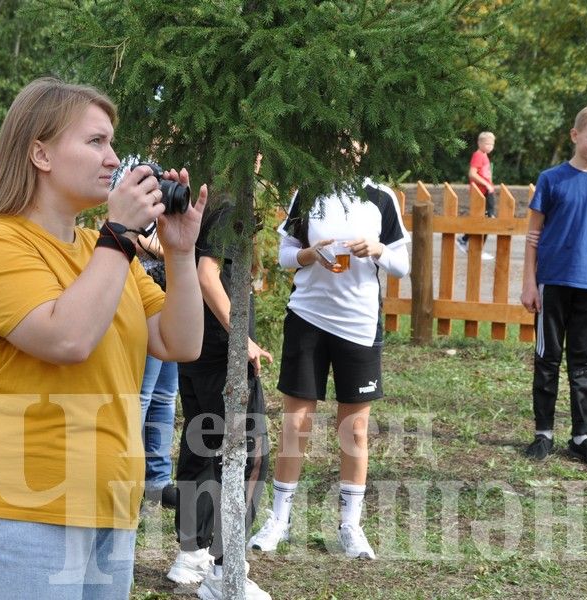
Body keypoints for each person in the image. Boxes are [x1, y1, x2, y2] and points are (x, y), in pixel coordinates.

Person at [0, 77, 207, 600]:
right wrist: (118, 236)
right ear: (40, 152)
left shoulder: (103, 250)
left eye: (112, 143)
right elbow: (68, 339)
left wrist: (178, 253)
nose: (114, 159)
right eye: (95, 142)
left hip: (108, 505)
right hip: (19, 511)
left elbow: (181, 343)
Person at [248, 178, 411, 560]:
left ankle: (350, 526)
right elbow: (284, 256)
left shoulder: (380, 197)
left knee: (354, 428)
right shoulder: (307, 189)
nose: (344, 139)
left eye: (352, 135)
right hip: (308, 317)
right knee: (296, 423)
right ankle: (280, 520)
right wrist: (308, 255)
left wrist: (378, 249)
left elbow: (402, 265)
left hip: (358, 323)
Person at [166, 202, 273, 600]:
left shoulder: (205, 197)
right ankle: (227, 570)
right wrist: (239, 338)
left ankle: (191, 555)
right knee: (249, 456)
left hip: (194, 348)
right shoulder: (231, 205)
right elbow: (207, 274)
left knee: (201, 450)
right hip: (220, 356)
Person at [521, 104, 587, 468]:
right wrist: (529, 284)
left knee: (584, 362)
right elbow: (533, 237)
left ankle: (582, 436)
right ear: (575, 136)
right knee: (547, 359)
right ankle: (544, 434)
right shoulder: (552, 179)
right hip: (552, 283)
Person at [136, 231, 179, 509]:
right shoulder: (131, 188)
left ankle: (158, 481)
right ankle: (130, 477)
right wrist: (171, 250)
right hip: (142, 300)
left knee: (165, 396)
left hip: (173, 298)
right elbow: (130, 237)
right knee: (141, 396)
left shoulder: (177, 199)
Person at [456, 131, 496, 260]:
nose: (490, 146)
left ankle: (467, 241)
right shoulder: (478, 155)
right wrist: (487, 184)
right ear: (479, 143)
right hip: (481, 192)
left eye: (492, 144)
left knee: (485, 219)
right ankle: (470, 245)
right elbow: (472, 174)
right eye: (487, 143)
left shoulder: (484, 156)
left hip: (485, 192)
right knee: (488, 219)